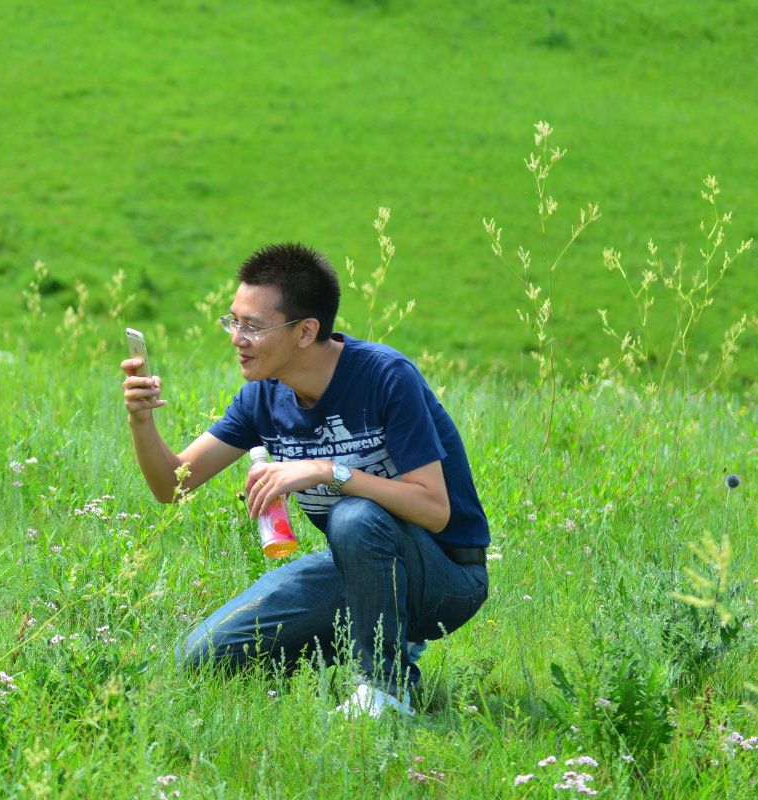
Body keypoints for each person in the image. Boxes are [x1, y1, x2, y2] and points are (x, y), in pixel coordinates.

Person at [120, 243, 490, 717]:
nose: (236, 337)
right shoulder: (262, 397)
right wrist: (140, 419)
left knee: (354, 515)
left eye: (252, 326)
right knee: (204, 657)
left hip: (447, 578)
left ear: (305, 331)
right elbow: (171, 485)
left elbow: (435, 511)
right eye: (232, 321)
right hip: (354, 567)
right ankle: (364, 637)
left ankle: (386, 688)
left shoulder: (385, 377)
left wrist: (328, 472)